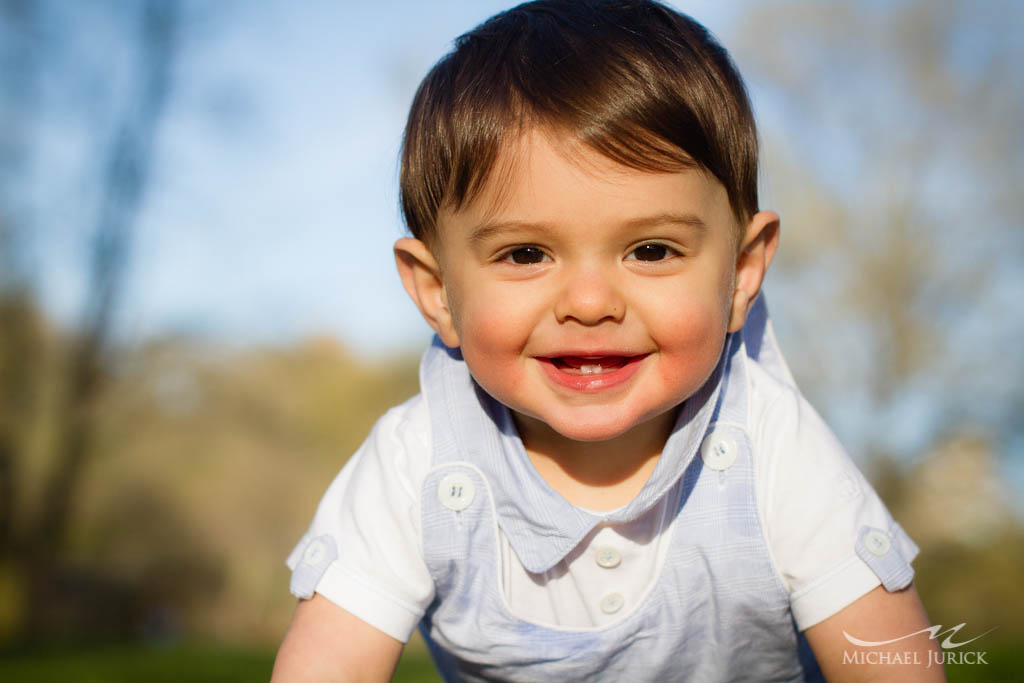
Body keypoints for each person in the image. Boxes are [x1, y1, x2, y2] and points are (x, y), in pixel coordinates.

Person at [272, 1, 943, 680]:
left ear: (741, 273)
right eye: (526, 253)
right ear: (437, 291)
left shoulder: (772, 449)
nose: (590, 303)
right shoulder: (417, 464)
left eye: (651, 249)